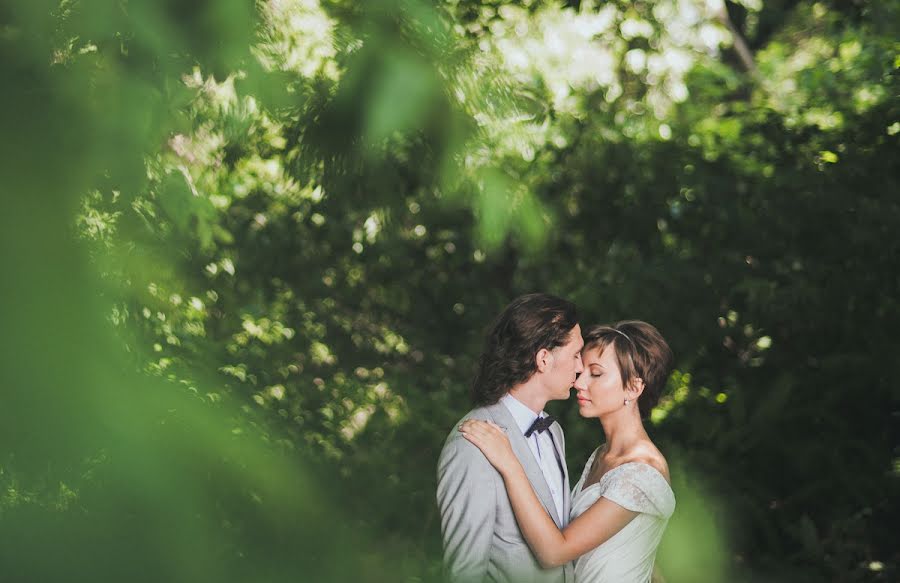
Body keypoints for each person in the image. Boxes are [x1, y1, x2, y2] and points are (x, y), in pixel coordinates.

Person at [460, 321, 676, 582]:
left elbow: (555, 552)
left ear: (634, 387)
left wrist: (509, 463)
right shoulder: (601, 455)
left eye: (595, 374)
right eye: (581, 370)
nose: (578, 382)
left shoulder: (642, 470)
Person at [436, 293, 584, 583]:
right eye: (576, 354)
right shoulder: (471, 442)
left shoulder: (554, 432)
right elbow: (464, 571)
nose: (580, 367)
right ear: (544, 358)